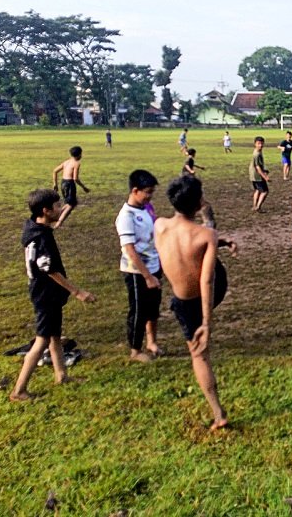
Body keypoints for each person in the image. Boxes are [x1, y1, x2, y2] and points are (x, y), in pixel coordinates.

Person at [154, 176, 229, 431]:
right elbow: (207, 280)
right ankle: (218, 414)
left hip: (186, 300)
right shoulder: (206, 235)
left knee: (199, 355)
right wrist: (207, 323)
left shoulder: (159, 225)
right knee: (208, 238)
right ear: (198, 202)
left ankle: (219, 414)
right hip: (207, 291)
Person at [10, 189, 96, 400]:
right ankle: (19, 390)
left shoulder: (33, 228)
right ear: (45, 211)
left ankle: (61, 375)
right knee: (41, 342)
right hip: (45, 295)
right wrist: (77, 292)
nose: (60, 209)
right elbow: (48, 269)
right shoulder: (41, 237)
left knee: (54, 336)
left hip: (47, 293)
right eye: (57, 207)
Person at [115, 170, 163, 363]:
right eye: (148, 192)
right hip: (136, 272)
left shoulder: (147, 208)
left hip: (154, 266)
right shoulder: (126, 216)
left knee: (153, 309)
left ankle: (152, 342)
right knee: (138, 311)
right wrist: (147, 277)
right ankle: (135, 350)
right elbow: (130, 251)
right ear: (135, 190)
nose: (150, 196)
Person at [52, 146, 89, 229]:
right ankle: (58, 224)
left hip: (63, 183)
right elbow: (75, 178)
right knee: (71, 205)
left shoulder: (66, 162)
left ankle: (58, 216)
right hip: (69, 184)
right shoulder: (76, 163)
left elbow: (55, 171)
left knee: (69, 203)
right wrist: (84, 187)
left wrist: (55, 184)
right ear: (79, 155)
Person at [250, 136, 270, 212]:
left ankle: (254, 206)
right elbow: (258, 168)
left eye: (261, 143)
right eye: (258, 143)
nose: (260, 145)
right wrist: (265, 177)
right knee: (265, 191)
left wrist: (264, 170)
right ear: (255, 144)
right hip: (257, 176)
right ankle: (258, 207)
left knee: (257, 190)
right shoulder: (257, 154)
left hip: (253, 175)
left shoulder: (256, 151)